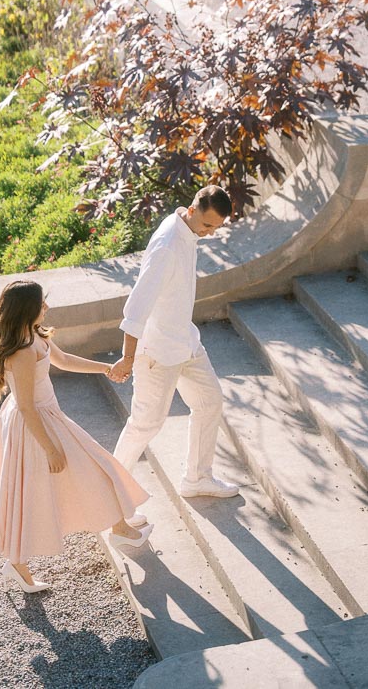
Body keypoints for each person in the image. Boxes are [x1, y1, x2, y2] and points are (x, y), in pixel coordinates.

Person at [0, 280, 152, 594]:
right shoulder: (21, 352)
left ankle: (120, 527)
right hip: (35, 426)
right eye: (42, 303)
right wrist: (50, 449)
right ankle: (17, 564)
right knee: (31, 493)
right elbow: (28, 406)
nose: (46, 307)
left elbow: (65, 360)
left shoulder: (35, 337)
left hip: (49, 418)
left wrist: (107, 369)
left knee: (95, 464)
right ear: (27, 310)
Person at [108, 185, 240, 503]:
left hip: (186, 341)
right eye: (207, 225)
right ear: (192, 210)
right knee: (145, 424)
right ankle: (110, 492)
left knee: (210, 402)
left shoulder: (189, 229)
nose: (209, 233)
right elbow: (137, 306)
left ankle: (197, 478)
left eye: (216, 228)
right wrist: (128, 357)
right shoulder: (168, 246)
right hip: (157, 352)